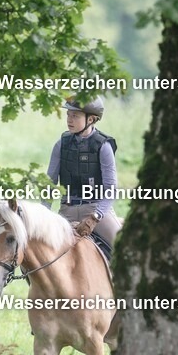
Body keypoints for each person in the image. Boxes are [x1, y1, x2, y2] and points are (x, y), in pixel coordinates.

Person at [46, 97, 122, 255]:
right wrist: (44, 212)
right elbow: (50, 183)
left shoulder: (104, 146)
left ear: (91, 119)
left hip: (96, 210)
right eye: (68, 115)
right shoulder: (61, 144)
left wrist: (95, 217)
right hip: (67, 210)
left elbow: (111, 189)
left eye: (75, 116)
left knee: (123, 248)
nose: (69, 120)